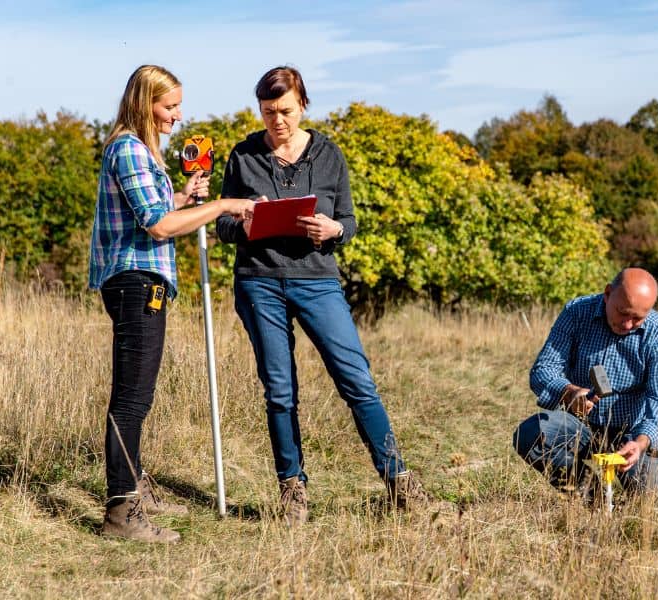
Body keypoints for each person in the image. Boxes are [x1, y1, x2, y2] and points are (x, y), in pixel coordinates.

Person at [215, 65, 425, 525]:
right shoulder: (243, 156)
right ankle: (293, 490)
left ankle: (400, 482)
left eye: (285, 111)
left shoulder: (330, 155)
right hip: (259, 281)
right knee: (279, 389)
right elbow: (223, 225)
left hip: (317, 280)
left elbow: (348, 221)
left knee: (356, 379)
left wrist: (333, 230)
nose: (277, 121)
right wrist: (245, 223)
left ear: (303, 104)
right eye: (268, 112)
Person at [89, 65, 254, 543]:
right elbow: (158, 228)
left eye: (179, 105)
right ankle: (121, 511)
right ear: (145, 104)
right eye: (169, 106)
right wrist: (223, 206)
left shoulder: (139, 153)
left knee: (137, 395)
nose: (177, 116)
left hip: (140, 280)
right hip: (136, 282)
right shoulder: (129, 149)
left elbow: (158, 214)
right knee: (132, 398)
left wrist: (183, 197)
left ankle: (135, 487)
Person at [513, 267, 658, 505]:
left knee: (656, 508)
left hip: (631, 433)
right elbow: (543, 370)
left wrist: (640, 443)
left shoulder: (657, 332)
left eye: (638, 318)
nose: (629, 324)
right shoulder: (577, 312)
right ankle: (593, 499)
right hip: (580, 426)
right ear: (608, 294)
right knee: (531, 434)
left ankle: (634, 492)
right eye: (623, 313)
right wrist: (568, 392)